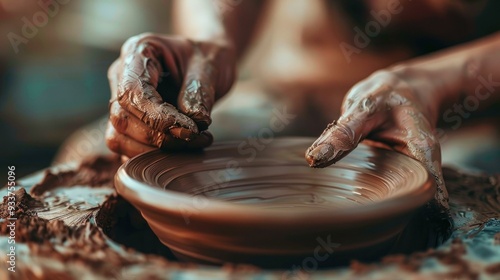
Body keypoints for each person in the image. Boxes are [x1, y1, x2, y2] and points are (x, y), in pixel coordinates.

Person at [105, 0, 500, 210]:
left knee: (467, 195)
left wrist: (437, 82)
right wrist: (208, 41)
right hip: (305, 87)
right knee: (105, 159)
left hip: (471, 110)